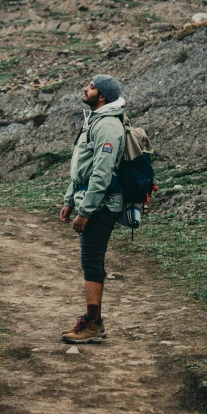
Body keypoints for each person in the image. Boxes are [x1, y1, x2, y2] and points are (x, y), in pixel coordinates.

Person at [60, 75, 126, 344]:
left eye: (92, 86)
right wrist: (69, 200)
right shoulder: (95, 121)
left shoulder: (109, 126)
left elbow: (102, 173)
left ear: (103, 96)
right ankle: (94, 321)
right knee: (91, 262)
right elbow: (81, 168)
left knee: (91, 262)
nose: (85, 88)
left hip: (102, 204)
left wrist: (85, 211)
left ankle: (93, 324)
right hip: (89, 200)